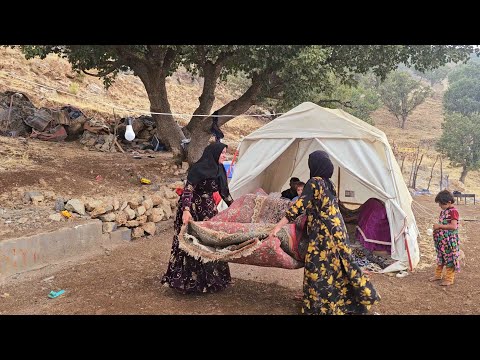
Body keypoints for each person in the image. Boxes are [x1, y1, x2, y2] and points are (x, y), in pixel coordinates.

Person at [268, 150, 380, 315]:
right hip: (338, 230)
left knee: (318, 267)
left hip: (324, 234)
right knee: (336, 267)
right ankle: (337, 300)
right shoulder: (329, 183)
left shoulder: (314, 182)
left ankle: (319, 306)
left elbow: (299, 207)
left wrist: (277, 226)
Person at [161, 142, 234, 294]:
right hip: (192, 209)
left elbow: (224, 193)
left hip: (208, 210)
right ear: (214, 153)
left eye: (225, 153)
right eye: (222, 153)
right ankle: (187, 281)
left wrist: (235, 208)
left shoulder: (220, 169)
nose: (224, 156)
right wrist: (186, 210)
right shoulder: (198, 168)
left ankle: (211, 281)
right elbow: (188, 190)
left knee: (209, 242)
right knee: (190, 243)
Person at [429, 190, 460, 286]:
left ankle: (449, 279)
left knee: (449, 259)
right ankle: (438, 275)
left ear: (449, 202)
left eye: (441, 204)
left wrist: (440, 226)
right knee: (440, 257)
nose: (440, 206)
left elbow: (453, 226)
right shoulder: (444, 211)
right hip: (442, 241)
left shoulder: (453, 212)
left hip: (449, 241)